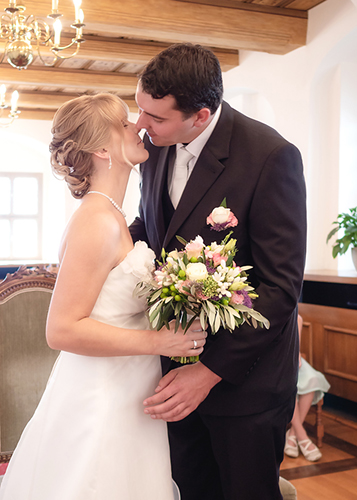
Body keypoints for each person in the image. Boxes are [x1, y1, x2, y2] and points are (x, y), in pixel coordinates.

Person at [0, 93, 207, 500]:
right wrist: (160, 340)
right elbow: (60, 330)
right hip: (102, 399)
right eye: (125, 123)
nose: (138, 127)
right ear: (100, 148)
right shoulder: (95, 222)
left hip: (129, 389)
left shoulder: (112, 215)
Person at [129, 43, 307, 500]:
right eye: (139, 109)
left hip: (245, 386)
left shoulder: (270, 157)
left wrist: (207, 372)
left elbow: (279, 290)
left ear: (202, 116)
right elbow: (154, 229)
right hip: (171, 371)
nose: (140, 125)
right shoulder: (157, 146)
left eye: (155, 117)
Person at [284, 315, 330, 462]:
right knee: (288, 384)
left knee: (312, 378)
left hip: (292, 360)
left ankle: (292, 433)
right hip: (274, 363)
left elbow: (296, 350)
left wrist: (295, 359)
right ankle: (301, 435)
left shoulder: (297, 319)